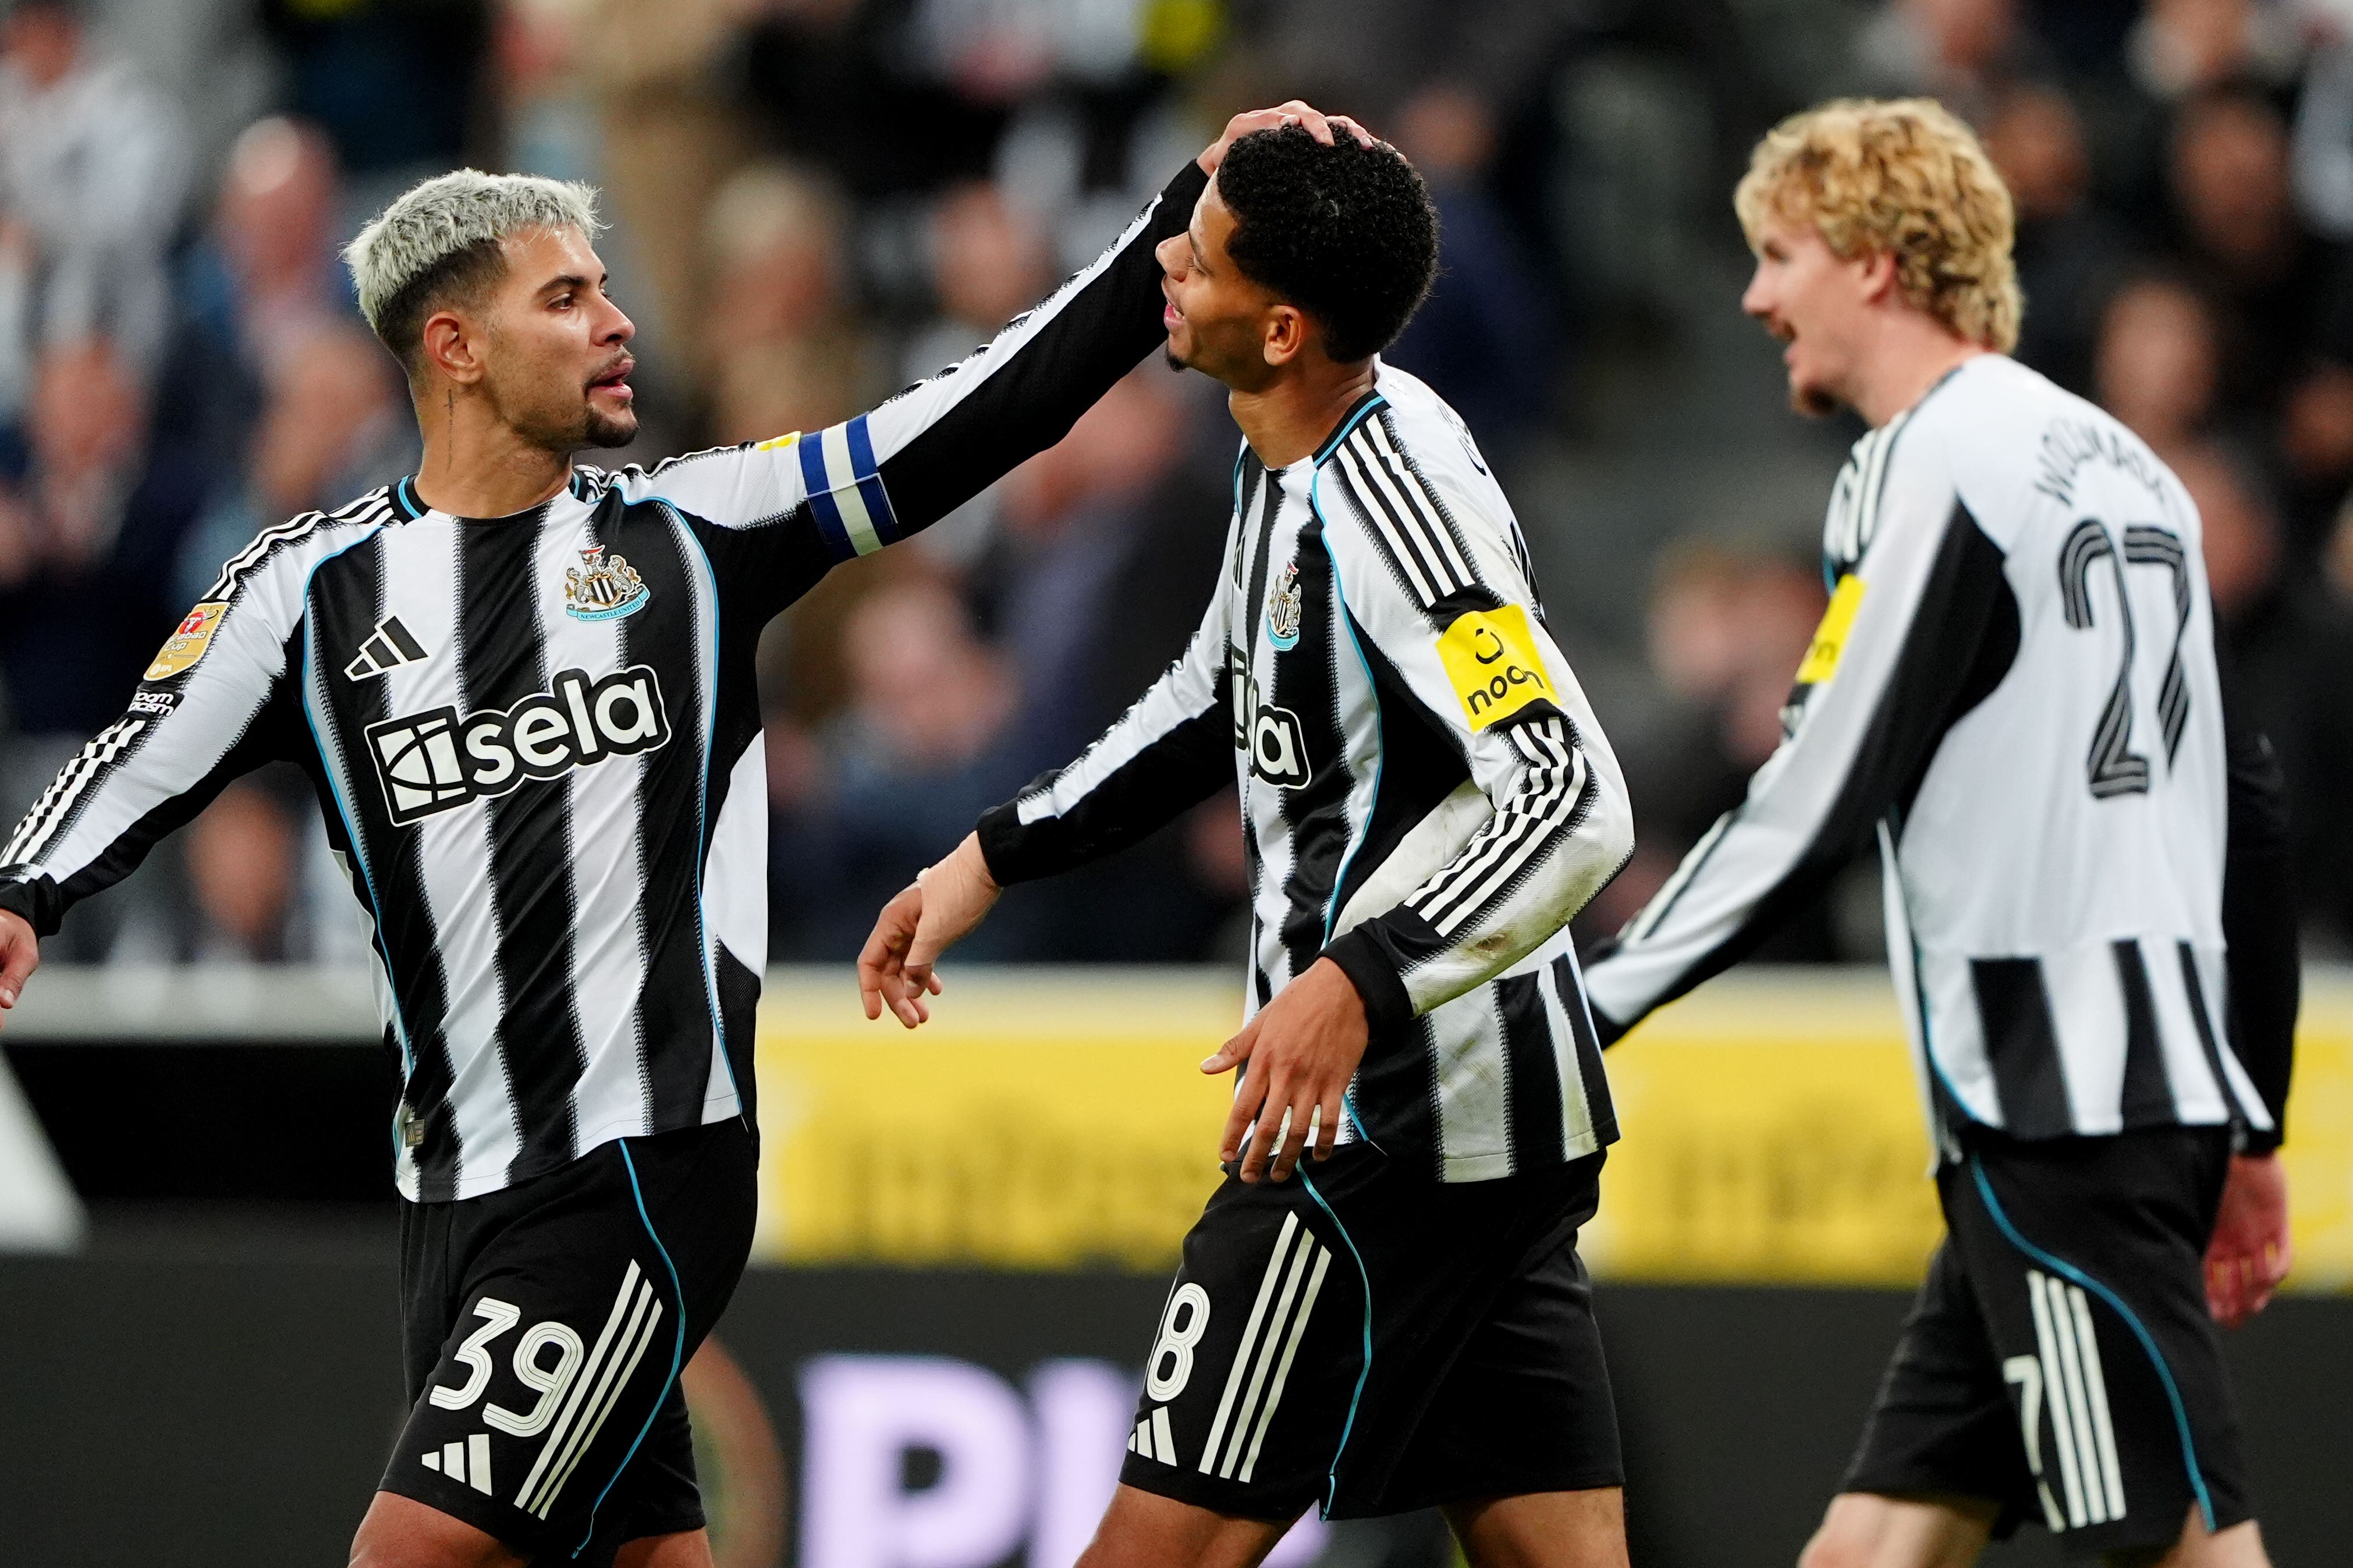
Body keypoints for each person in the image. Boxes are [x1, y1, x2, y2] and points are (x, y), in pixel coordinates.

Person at [0, 100, 1361, 1568]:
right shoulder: (305, 593)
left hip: (641, 1162)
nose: (617, 323)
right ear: (453, 347)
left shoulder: (697, 539)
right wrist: (23, 888)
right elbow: (145, 756)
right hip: (450, 1194)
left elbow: (986, 409)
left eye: (610, 289)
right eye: (568, 297)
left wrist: (1187, 204)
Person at [858, 126, 1638, 1567]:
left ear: (1280, 329)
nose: (1165, 255)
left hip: (1374, 1124)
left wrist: (1353, 982)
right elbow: (1216, 699)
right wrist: (988, 860)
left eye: (1199, 253)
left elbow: (1568, 790)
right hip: (1483, 1134)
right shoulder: (1296, 448)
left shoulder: (1391, 498)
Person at [1579, 99, 2299, 1568]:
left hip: (2053, 1107)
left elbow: (1813, 793)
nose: (1757, 295)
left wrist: (1585, 1004)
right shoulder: (2131, 471)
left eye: (1780, 254)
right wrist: (2255, 1114)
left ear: (1875, 263)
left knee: (2184, 1545)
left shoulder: (1931, 464)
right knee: (1879, 1540)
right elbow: (2251, 812)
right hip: (2123, 1090)